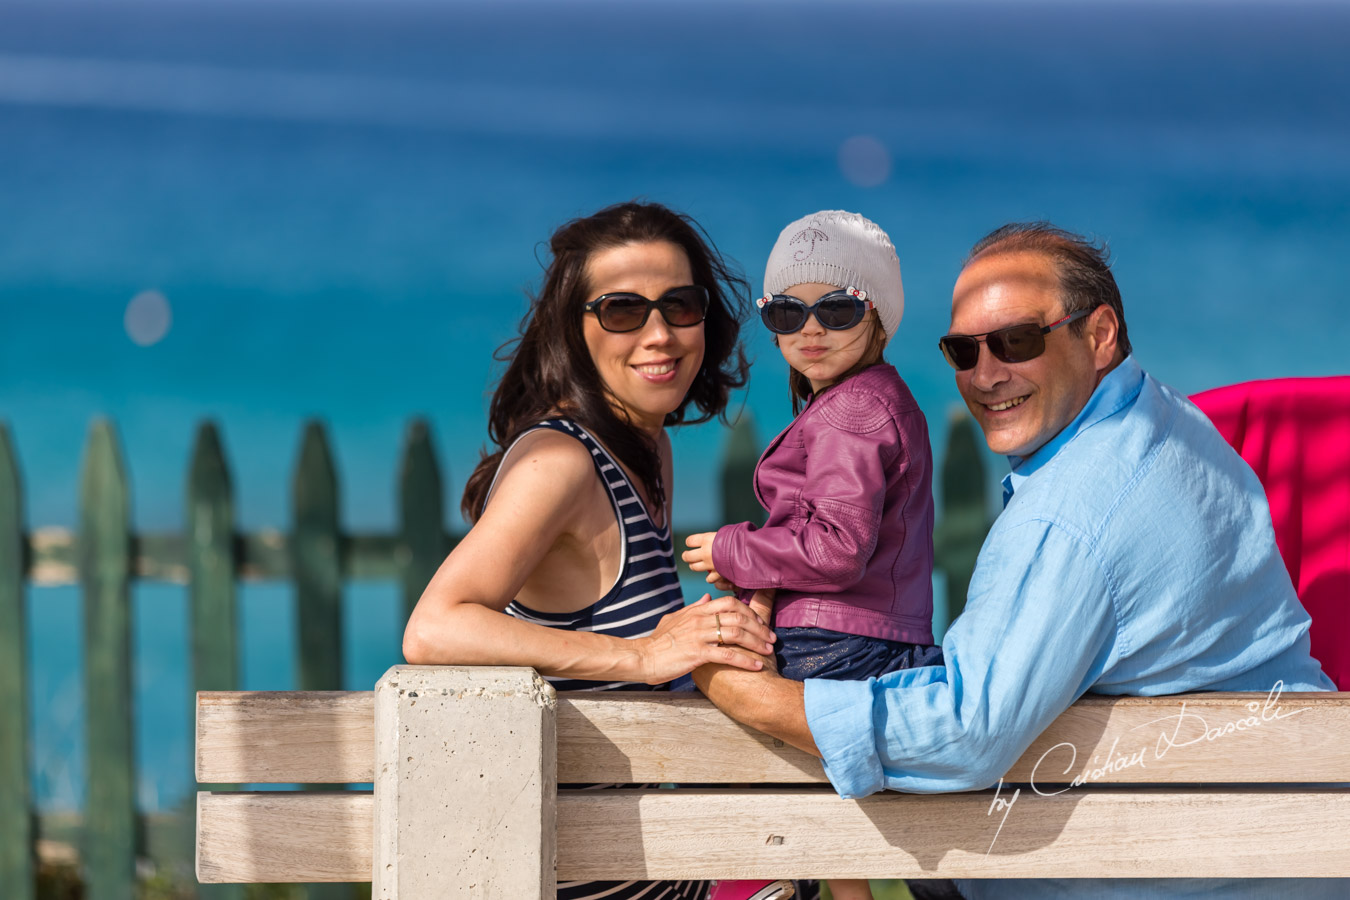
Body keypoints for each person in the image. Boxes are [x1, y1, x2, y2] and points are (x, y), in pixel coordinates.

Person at [693, 222, 1339, 900]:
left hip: (1185, 869)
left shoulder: (1071, 518)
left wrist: (757, 697)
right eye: (963, 352)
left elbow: (969, 729)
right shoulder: (1169, 425)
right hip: (1285, 829)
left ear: (1099, 335)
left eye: (1017, 341)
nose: (986, 375)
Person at [403, 200, 778, 900]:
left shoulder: (646, 449)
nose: (659, 333)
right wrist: (641, 656)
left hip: (645, 858)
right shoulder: (562, 462)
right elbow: (433, 627)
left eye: (680, 304)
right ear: (574, 333)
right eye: (622, 311)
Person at [683, 210, 942, 900]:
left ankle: (762, 882)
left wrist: (735, 550)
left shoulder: (851, 414)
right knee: (811, 789)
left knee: (697, 695)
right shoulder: (873, 400)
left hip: (838, 641)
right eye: (787, 314)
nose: (810, 330)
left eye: (837, 308)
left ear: (879, 315)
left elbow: (837, 549)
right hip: (873, 636)